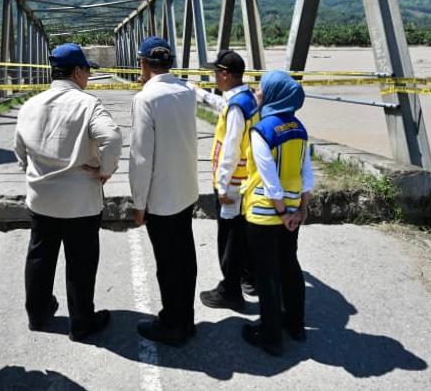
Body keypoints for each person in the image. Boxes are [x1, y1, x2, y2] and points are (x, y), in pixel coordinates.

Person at [14, 43, 123, 341]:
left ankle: (37, 314)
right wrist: (104, 170)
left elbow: (20, 150)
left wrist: (33, 170)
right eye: (87, 70)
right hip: (80, 202)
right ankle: (82, 321)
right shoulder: (88, 104)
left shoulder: (30, 105)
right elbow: (112, 138)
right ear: (76, 71)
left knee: (40, 256)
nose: (88, 77)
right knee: (80, 262)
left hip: (42, 198)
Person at [129, 36, 199, 346]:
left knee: (168, 264)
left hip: (161, 197)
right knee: (185, 257)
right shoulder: (186, 91)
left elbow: (141, 157)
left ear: (143, 63)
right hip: (186, 190)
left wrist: (139, 202)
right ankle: (187, 318)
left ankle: (172, 324)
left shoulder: (146, 99)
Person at [239, 70, 314, 357]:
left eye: (261, 87)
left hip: (265, 213)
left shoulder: (263, 130)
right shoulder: (299, 129)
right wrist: (300, 209)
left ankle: (270, 336)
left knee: (267, 274)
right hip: (293, 212)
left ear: (273, 94)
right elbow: (306, 173)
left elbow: (269, 180)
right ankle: (295, 325)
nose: (258, 91)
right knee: (289, 266)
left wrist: (281, 212)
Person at [194, 50, 260, 311]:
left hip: (232, 182)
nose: (214, 78)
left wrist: (221, 187)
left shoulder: (236, 107)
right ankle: (248, 278)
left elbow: (230, 149)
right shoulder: (248, 99)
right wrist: (199, 94)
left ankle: (230, 290)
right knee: (242, 233)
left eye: (215, 73)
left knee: (229, 237)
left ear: (224, 74)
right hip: (247, 181)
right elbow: (223, 106)